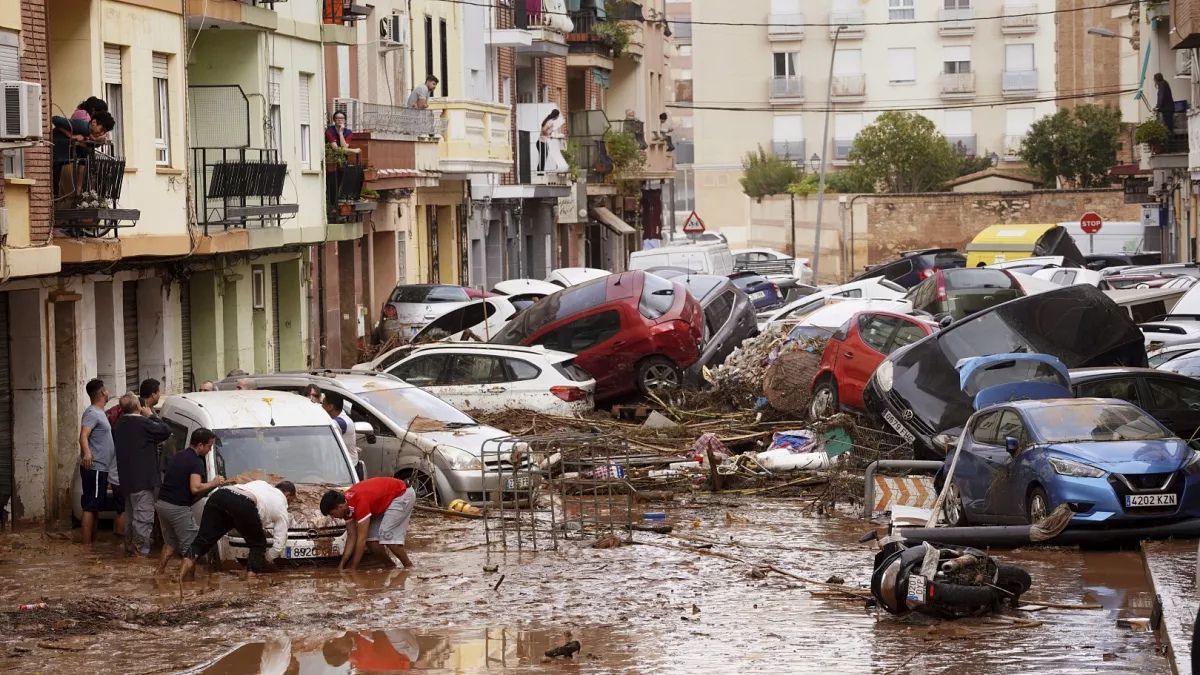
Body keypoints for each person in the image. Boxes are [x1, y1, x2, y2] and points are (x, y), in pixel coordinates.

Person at [179, 480, 296, 579]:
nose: (290, 503)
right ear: (287, 495)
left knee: (202, 541)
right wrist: (265, 559)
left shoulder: (262, 484)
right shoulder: (282, 506)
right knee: (258, 545)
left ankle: (181, 579)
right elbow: (279, 544)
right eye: (291, 500)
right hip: (243, 503)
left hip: (219, 495)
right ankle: (252, 584)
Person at [154, 428, 226, 575]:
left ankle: (158, 573)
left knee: (170, 542)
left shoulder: (178, 455)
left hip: (162, 504)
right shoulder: (196, 462)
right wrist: (213, 483)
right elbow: (195, 487)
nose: (209, 449)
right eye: (209, 446)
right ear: (200, 445)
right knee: (193, 547)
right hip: (177, 508)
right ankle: (185, 582)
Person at [113, 378, 171, 557]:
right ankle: (140, 555)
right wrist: (151, 416)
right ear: (138, 406)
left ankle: (130, 550)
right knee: (143, 519)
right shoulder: (143, 423)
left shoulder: (119, 424)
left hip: (127, 481)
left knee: (131, 517)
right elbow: (166, 431)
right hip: (143, 481)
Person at [320, 476, 415, 570]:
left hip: (402, 494)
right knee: (371, 541)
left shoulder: (359, 502)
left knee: (387, 535)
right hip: (385, 501)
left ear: (339, 507)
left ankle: (409, 566)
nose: (333, 517)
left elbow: (361, 539)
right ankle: (390, 566)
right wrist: (342, 565)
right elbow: (351, 536)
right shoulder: (345, 507)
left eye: (332, 514)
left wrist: (353, 568)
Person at [78, 379, 114, 546]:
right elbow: (83, 435)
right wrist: (87, 453)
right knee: (91, 506)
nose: (108, 391)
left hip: (101, 467)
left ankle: (92, 543)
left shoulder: (100, 412)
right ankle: (87, 548)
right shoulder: (93, 413)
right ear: (102, 393)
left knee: (95, 506)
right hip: (96, 467)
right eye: (106, 389)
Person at [105, 392, 138, 538]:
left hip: (115, 476)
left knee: (121, 510)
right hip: (122, 477)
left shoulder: (115, 427)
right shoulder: (132, 428)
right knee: (125, 510)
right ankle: (121, 541)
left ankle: (117, 541)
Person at [321, 390, 360, 477]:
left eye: (323, 404)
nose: (321, 406)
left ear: (330, 406)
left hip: (348, 470)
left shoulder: (340, 422)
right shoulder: (340, 416)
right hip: (342, 466)